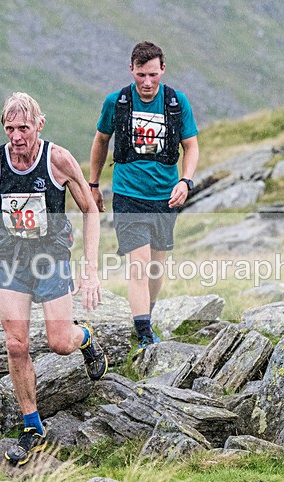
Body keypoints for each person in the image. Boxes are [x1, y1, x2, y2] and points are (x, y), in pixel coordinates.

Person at [0, 92, 106, 467]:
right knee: (15, 344)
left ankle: (84, 336)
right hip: (11, 260)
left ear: (39, 124)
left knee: (60, 343)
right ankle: (32, 426)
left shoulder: (57, 160)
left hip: (51, 260)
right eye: (9, 129)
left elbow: (90, 210)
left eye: (23, 128)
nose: (16, 136)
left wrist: (90, 271)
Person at [89, 41, 199, 356]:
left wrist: (186, 181)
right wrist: (93, 184)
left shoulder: (177, 103)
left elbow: (191, 146)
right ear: (131, 71)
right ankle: (144, 334)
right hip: (127, 195)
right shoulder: (117, 102)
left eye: (152, 74)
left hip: (165, 196)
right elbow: (101, 141)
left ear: (162, 70)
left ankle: (146, 317)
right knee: (139, 265)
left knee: (156, 266)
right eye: (141, 75)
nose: (147, 83)